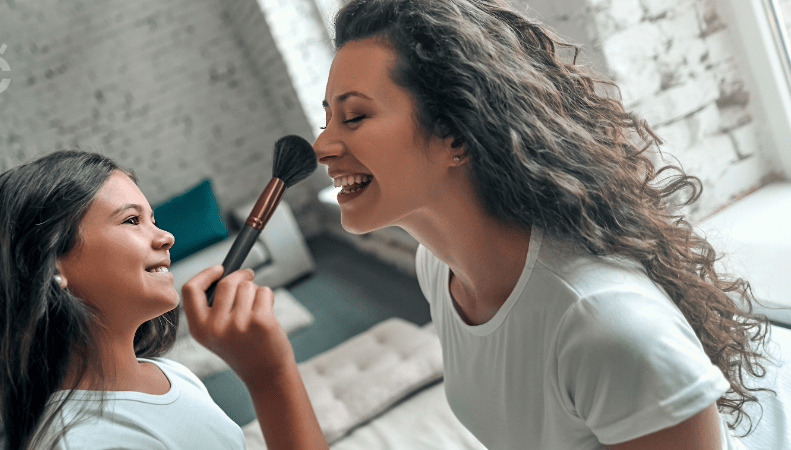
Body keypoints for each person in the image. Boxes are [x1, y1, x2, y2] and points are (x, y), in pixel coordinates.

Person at [313, 0, 774, 448]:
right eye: (328, 117)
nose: (322, 145)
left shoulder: (606, 327)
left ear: (454, 133)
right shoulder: (438, 270)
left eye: (354, 116)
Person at [0, 150, 327, 450]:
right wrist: (271, 375)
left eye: (153, 219)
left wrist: (270, 372)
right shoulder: (86, 443)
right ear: (53, 263)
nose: (166, 237)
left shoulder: (169, 374)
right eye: (132, 220)